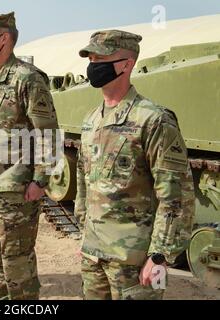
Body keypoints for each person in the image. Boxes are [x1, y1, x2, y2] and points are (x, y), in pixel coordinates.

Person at [74, 29, 195, 300]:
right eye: (91, 59)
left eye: (101, 59)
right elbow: (85, 183)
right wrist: (84, 236)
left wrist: (160, 255)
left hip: (134, 261)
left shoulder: (154, 120)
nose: (93, 66)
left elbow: (176, 196)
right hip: (93, 257)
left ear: (127, 64)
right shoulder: (91, 120)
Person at [0, 12, 59, 300]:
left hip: (16, 188)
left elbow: (47, 133)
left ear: (4, 38)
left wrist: (40, 180)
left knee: (16, 258)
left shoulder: (28, 78)